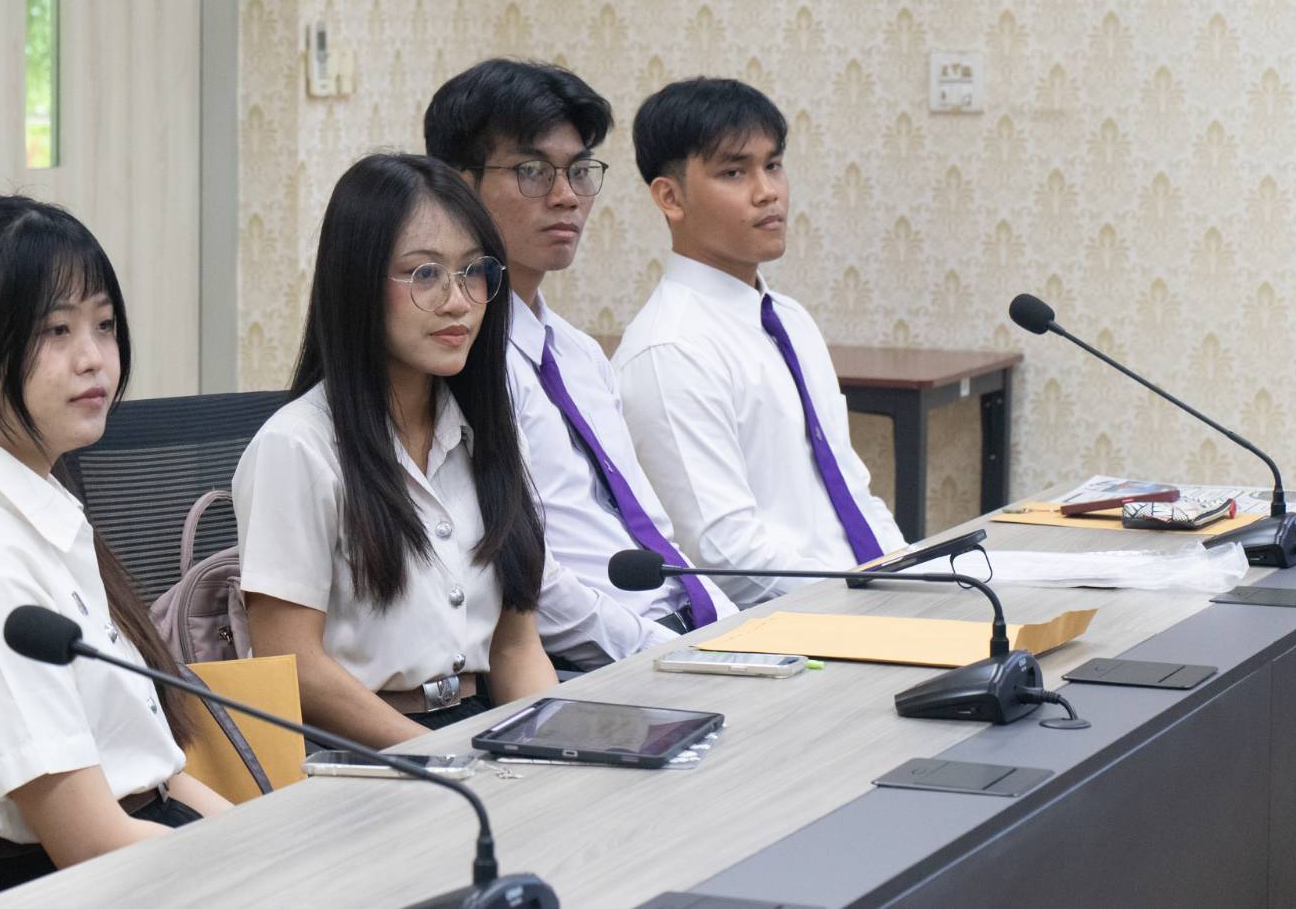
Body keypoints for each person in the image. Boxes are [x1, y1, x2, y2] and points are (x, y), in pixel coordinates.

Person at [0, 196, 230, 901]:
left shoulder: (36, 508)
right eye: (56, 331)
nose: (94, 359)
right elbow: (89, 841)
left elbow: (160, 776)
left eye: (104, 325)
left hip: (151, 850)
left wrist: (274, 839)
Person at [234, 154, 557, 749]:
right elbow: (292, 664)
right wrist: (441, 757)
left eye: (474, 272)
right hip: (357, 751)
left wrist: (555, 746)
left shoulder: (489, 433)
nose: (459, 301)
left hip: (478, 728)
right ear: (357, 284)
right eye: (425, 274)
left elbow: (516, 648)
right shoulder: (297, 445)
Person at [424, 59, 733, 669]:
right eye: (533, 171)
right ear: (458, 185)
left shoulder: (578, 352)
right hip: (585, 662)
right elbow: (523, 577)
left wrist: (731, 629)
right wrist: (662, 651)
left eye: (580, 171)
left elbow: (651, 525)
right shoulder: (459, 360)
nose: (566, 196)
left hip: (675, 635)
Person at [614, 78, 906, 608]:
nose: (767, 191)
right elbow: (727, 556)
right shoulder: (669, 350)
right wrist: (864, 609)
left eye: (773, 165)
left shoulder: (790, 319)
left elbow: (854, 491)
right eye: (734, 172)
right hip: (791, 627)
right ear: (670, 197)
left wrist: (913, 581)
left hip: (862, 603)